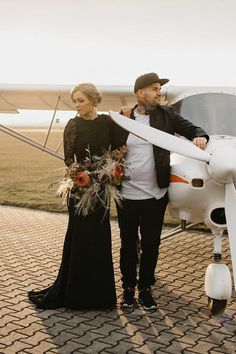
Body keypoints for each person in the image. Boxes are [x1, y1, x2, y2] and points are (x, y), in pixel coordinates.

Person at [115, 72, 209, 310]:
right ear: (140, 93)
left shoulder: (167, 115)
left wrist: (199, 137)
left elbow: (193, 128)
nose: (159, 92)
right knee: (128, 245)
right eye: (155, 88)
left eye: (159, 88)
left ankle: (145, 289)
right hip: (126, 194)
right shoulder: (123, 118)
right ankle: (127, 290)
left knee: (151, 245)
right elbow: (108, 148)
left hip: (155, 195)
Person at [28, 83, 120, 310]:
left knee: (99, 239)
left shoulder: (108, 123)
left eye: (81, 100)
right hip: (79, 190)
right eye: (75, 101)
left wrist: (106, 173)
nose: (77, 105)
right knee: (79, 238)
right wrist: (80, 172)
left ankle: (100, 297)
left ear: (94, 100)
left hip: (101, 191)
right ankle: (75, 295)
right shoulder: (72, 125)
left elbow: (117, 151)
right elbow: (69, 158)